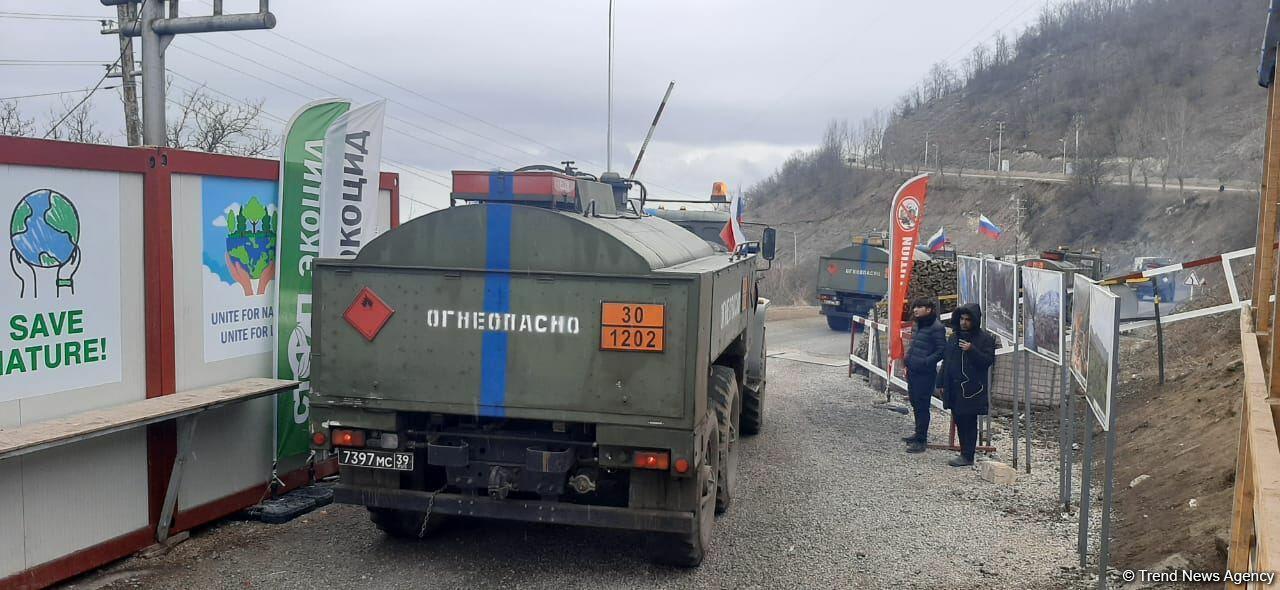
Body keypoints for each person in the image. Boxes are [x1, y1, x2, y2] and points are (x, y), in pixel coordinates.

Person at [937, 304, 997, 467]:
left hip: (972, 388)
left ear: (975, 321)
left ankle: (968, 455)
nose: (964, 322)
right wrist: (941, 382)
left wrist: (972, 350)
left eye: (968, 319)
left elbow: (987, 361)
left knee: (969, 422)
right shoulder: (954, 337)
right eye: (962, 319)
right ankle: (964, 452)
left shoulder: (985, 339)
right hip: (954, 387)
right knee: (959, 420)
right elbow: (946, 361)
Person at [902, 298, 946, 453]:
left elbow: (941, 350)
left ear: (928, 309)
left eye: (919, 307)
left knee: (922, 405)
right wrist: (907, 360)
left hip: (925, 373)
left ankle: (921, 440)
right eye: (914, 307)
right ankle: (917, 433)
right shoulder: (918, 324)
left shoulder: (937, 327)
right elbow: (914, 345)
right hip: (913, 370)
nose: (915, 310)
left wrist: (926, 362)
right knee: (914, 402)